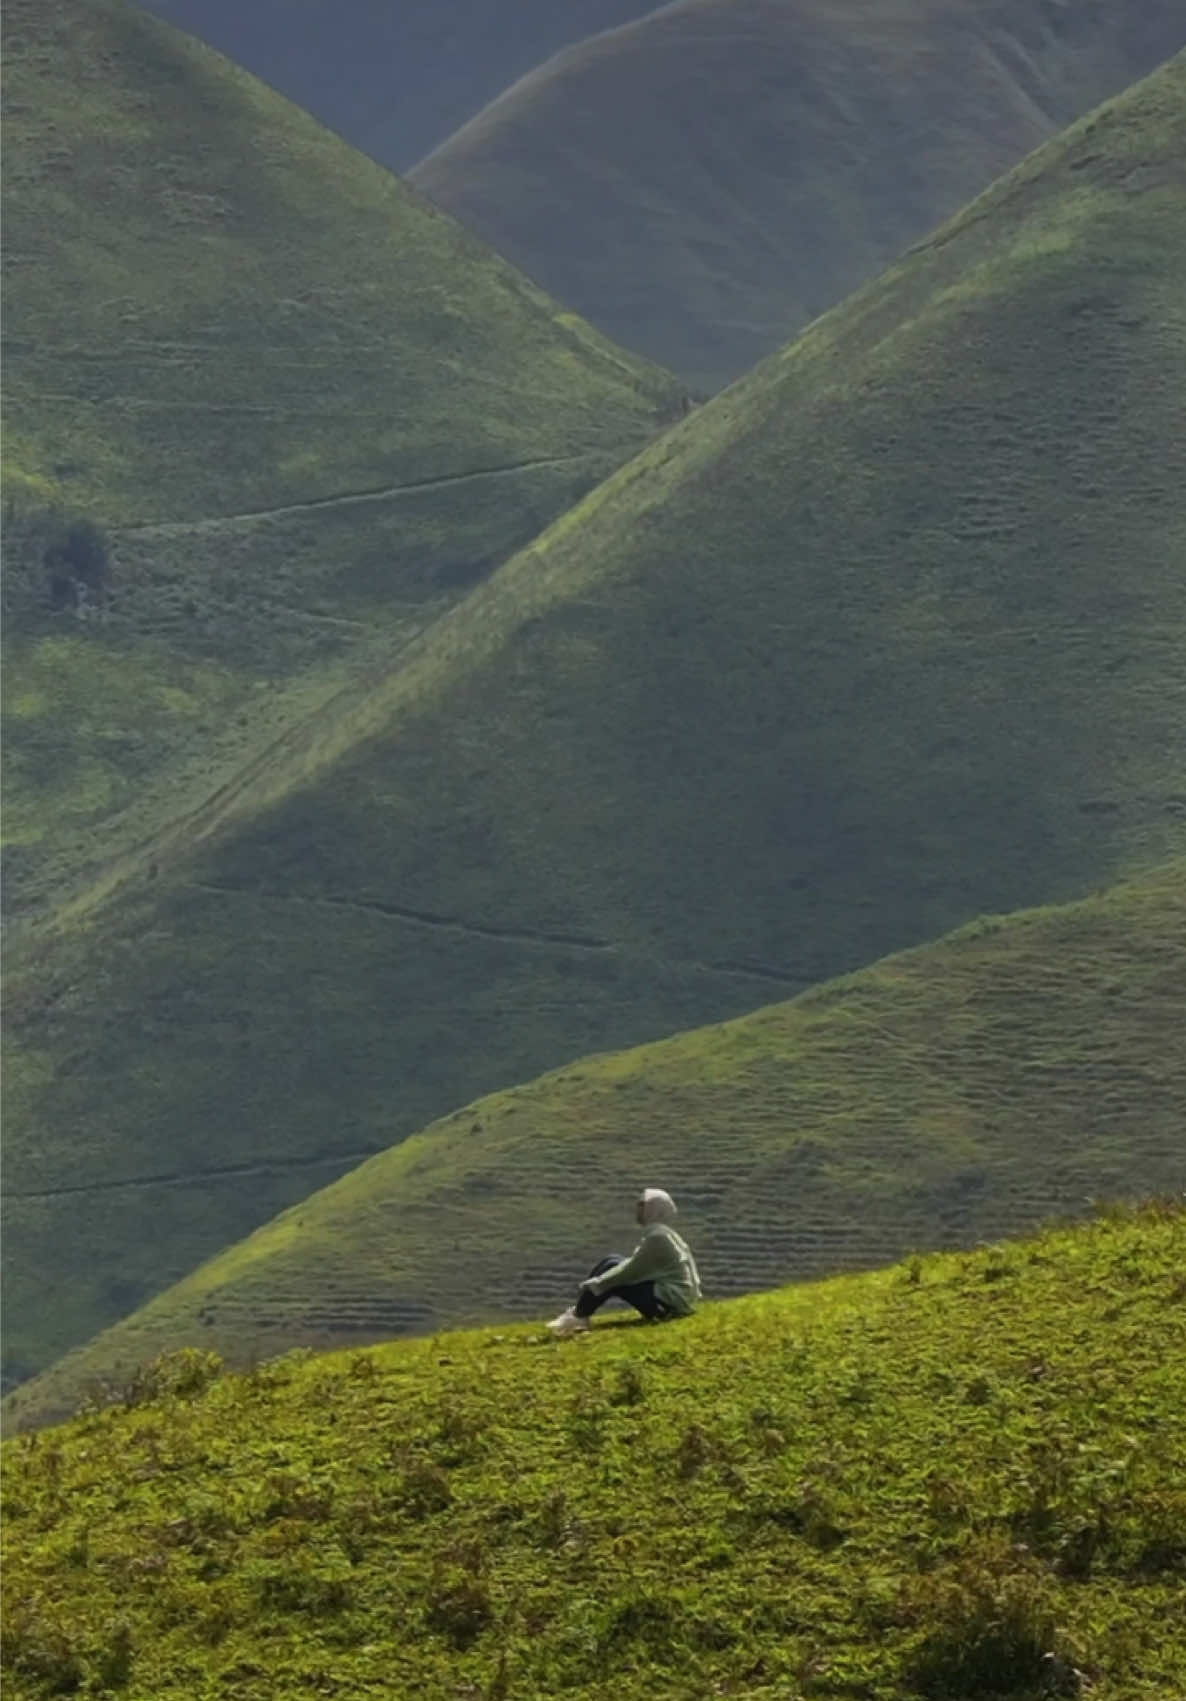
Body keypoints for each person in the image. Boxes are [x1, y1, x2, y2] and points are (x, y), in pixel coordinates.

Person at [546, 1187, 701, 1337]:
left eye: (642, 1205)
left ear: (654, 1208)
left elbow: (631, 1271)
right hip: (675, 1301)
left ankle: (579, 1316)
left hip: (669, 1307)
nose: (637, 1209)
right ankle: (579, 1312)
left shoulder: (657, 1237)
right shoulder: (662, 1233)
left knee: (613, 1266)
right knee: (612, 1260)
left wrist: (597, 1283)